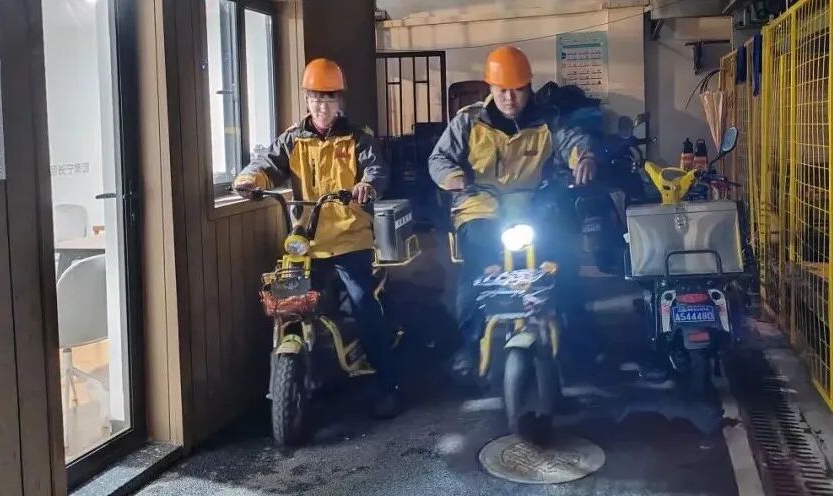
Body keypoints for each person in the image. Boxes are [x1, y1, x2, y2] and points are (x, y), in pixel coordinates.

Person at [233, 58, 401, 418]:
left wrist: (367, 186)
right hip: (307, 242)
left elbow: (376, 169)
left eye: (328, 98)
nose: (321, 106)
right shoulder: (294, 138)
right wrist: (250, 180)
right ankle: (298, 373)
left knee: (363, 303)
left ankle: (389, 384)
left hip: (349, 237)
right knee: (288, 301)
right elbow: (266, 164)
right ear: (306, 100)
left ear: (340, 100)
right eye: (315, 98)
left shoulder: (357, 137)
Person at [428, 46, 598, 379]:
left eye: (517, 90)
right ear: (490, 88)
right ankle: (469, 345)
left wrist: (585, 158)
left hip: (532, 204)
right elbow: (439, 159)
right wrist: (452, 177)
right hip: (480, 205)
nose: (509, 98)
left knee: (562, 260)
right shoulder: (468, 120)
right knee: (477, 270)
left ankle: (577, 340)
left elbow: (573, 141)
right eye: (502, 90)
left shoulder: (549, 119)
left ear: (528, 88)